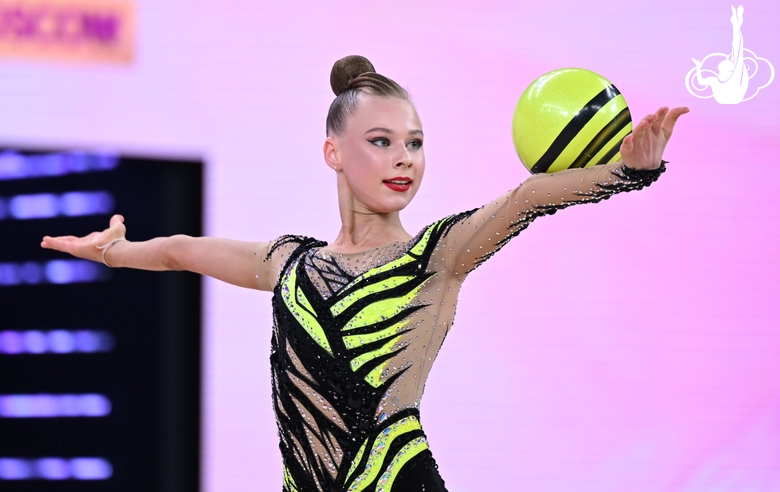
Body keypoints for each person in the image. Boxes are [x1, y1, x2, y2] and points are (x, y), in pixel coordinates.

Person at [41, 55, 689, 492]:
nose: (404, 158)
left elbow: (530, 198)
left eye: (415, 142)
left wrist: (628, 173)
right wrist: (111, 251)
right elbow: (181, 250)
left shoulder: (436, 254)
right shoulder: (290, 262)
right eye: (382, 141)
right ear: (334, 151)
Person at [692, 5, 749, 104]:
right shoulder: (714, 80)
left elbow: (737, 49)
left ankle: (736, 23)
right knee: (736, 51)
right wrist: (698, 67)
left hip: (733, 97)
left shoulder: (735, 77)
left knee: (737, 50)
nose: (725, 59)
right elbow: (701, 82)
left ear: (729, 69)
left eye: (728, 61)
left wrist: (736, 26)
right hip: (727, 99)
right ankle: (736, 23)